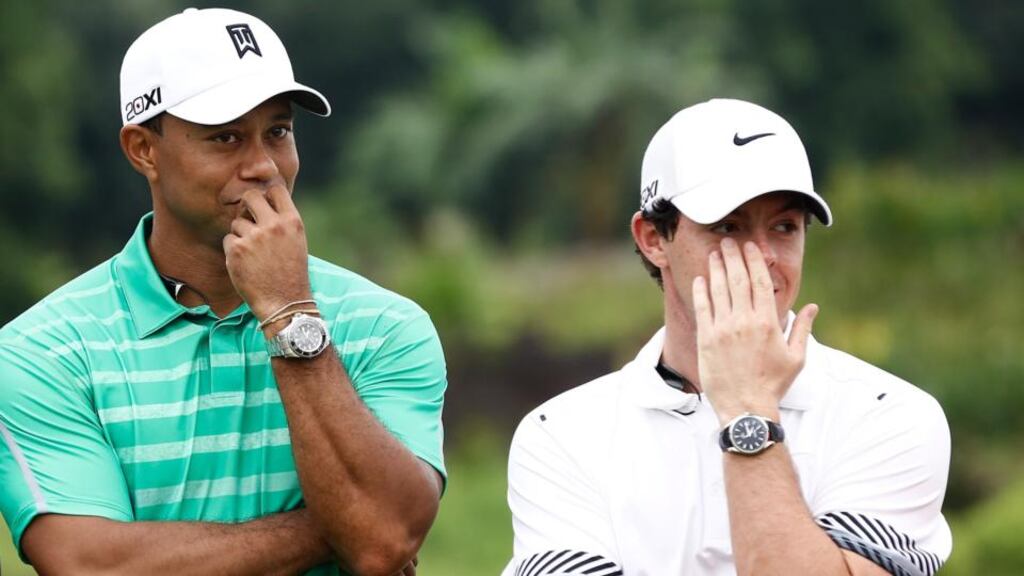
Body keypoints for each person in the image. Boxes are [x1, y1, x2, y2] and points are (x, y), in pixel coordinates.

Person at [0, 8, 445, 576]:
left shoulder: (385, 325)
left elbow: (381, 542)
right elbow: (91, 566)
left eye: (278, 132)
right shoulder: (42, 352)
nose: (264, 167)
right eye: (226, 137)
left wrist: (290, 314)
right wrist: (340, 522)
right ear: (144, 150)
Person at [503, 98, 951, 576]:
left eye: (784, 227)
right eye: (727, 227)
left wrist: (747, 408)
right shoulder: (560, 434)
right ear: (654, 238)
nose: (762, 258)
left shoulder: (891, 414)